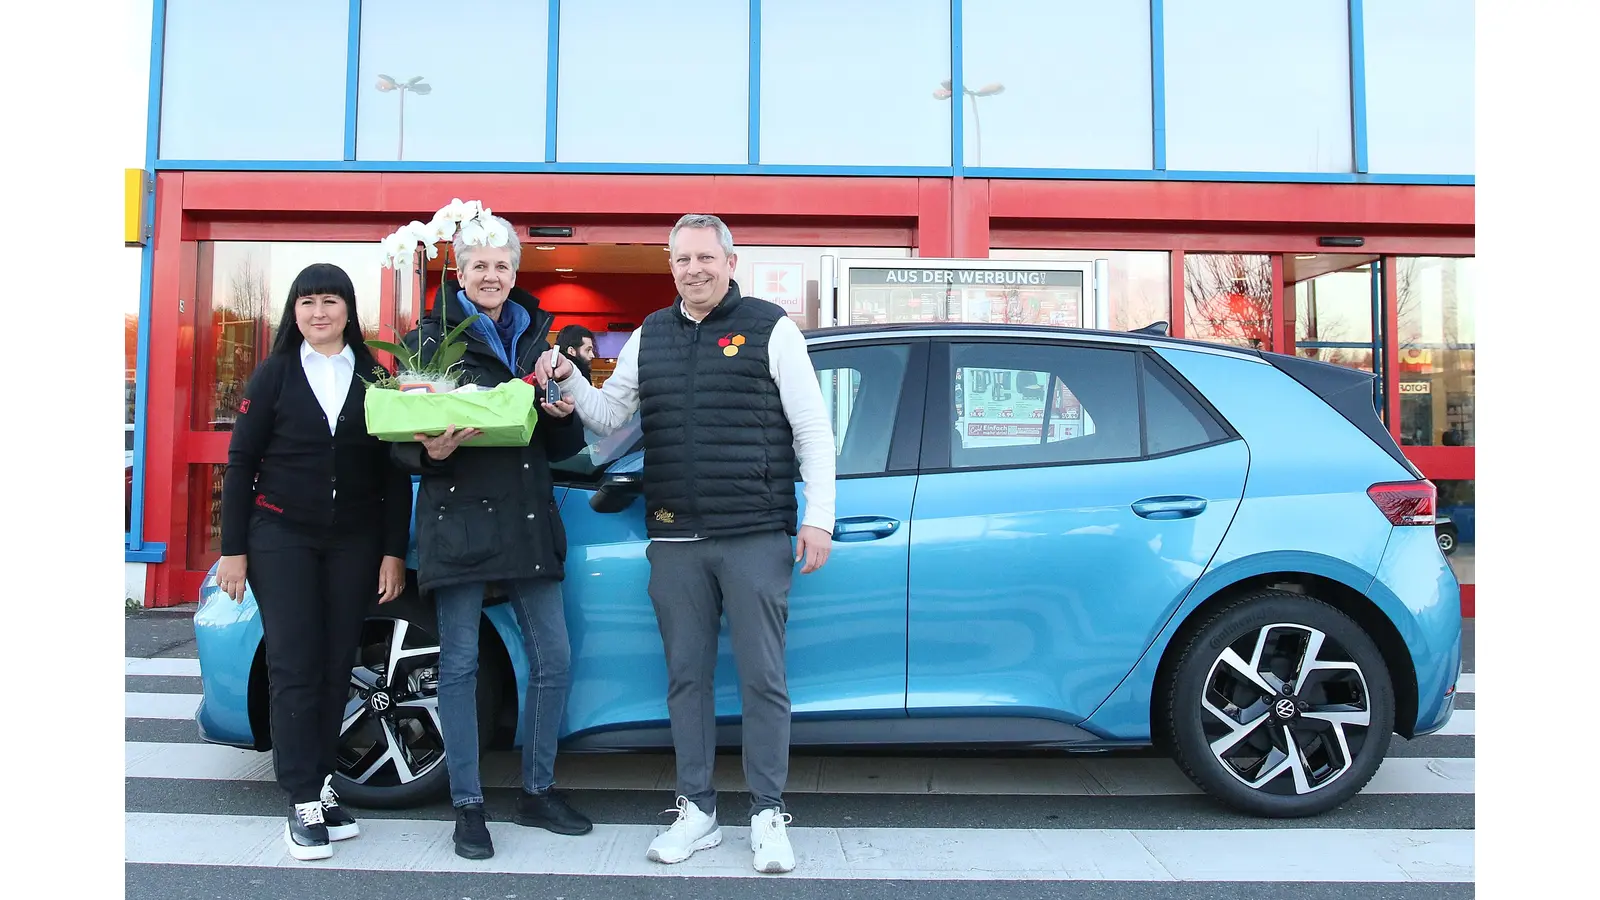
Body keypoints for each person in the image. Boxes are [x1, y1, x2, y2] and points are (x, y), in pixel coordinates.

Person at [535, 213, 836, 874]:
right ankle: (697, 810)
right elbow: (613, 416)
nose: (694, 270)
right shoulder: (651, 335)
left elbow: (812, 427)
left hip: (754, 532)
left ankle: (766, 813)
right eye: (682, 260)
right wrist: (570, 378)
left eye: (705, 257)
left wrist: (820, 516)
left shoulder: (771, 327)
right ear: (670, 267)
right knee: (686, 679)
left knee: (763, 678)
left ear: (731, 261)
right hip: (675, 537)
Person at [391, 214, 592, 861]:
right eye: (478, 265)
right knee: (461, 665)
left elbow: (560, 441)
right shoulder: (429, 340)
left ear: (514, 271)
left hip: (528, 514)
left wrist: (561, 414)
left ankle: (537, 791)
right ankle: (469, 808)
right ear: (459, 269)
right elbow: (401, 443)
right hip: (459, 518)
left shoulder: (539, 338)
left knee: (554, 660)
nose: (491, 275)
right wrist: (433, 451)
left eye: (502, 265)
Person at [214, 263, 412, 862]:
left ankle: (323, 786)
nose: (319, 312)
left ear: (349, 311)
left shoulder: (376, 378)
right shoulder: (273, 375)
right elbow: (241, 463)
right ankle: (300, 798)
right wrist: (233, 550)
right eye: (308, 302)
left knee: (335, 667)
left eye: (331, 301)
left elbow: (393, 474)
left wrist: (392, 551)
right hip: (282, 537)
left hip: (353, 541)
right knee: (294, 666)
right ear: (293, 312)